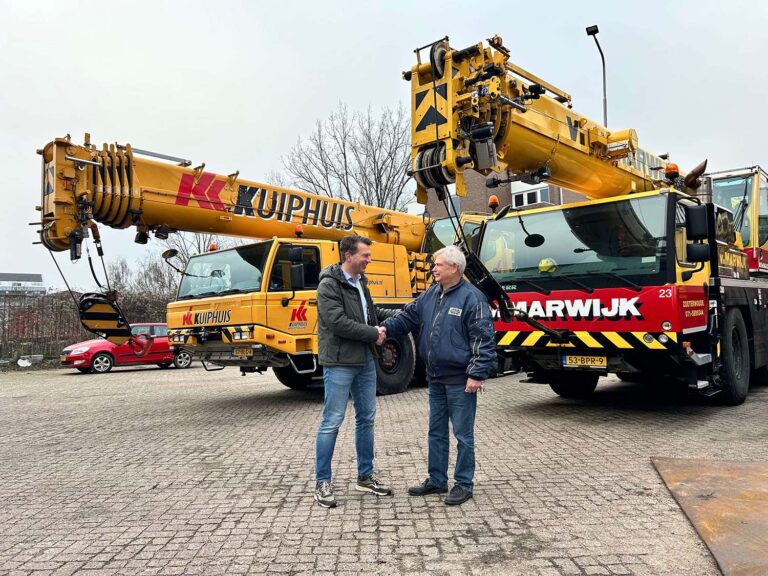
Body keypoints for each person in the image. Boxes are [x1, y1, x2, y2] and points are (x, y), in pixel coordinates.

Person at [382, 245, 495, 506]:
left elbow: (484, 339)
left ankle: (464, 484)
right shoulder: (431, 295)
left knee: (463, 435)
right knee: (436, 432)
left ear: (454, 267)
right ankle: (436, 479)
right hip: (436, 378)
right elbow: (407, 318)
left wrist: (476, 374)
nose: (433, 268)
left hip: (460, 380)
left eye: (438, 264)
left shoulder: (473, 298)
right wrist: (381, 330)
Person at [314, 235, 394, 508]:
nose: (369, 259)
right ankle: (322, 481)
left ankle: (365, 476)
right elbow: (338, 322)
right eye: (366, 255)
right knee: (332, 422)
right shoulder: (328, 285)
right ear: (348, 255)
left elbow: (370, 313)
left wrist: (404, 313)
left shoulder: (361, 283)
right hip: (339, 362)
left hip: (364, 362)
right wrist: (374, 334)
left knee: (367, 419)